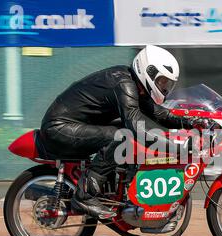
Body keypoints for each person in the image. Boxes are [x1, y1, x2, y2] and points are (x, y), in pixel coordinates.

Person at [39, 45, 190, 219]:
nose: (164, 88)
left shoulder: (135, 85)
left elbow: (160, 114)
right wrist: (176, 146)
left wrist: (192, 122)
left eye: (167, 84)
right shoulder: (124, 84)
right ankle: (85, 195)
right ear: (149, 71)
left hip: (75, 124)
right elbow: (137, 127)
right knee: (123, 136)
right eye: (162, 81)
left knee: (125, 133)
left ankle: (118, 191)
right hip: (59, 126)